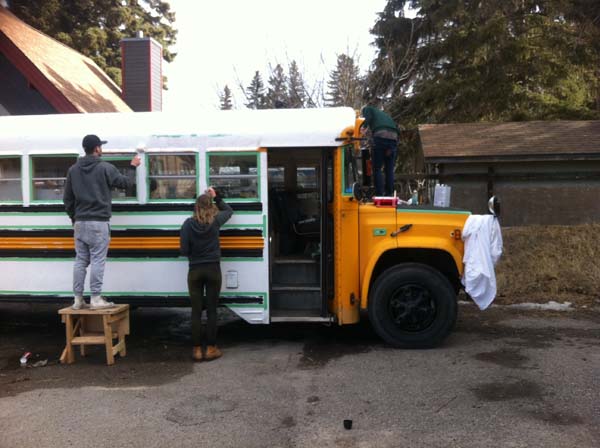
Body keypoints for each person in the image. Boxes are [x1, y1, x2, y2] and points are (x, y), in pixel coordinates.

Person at [63, 134, 141, 309]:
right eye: (101, 146)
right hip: (98, 222)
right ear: (97, 148)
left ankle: (77, 299)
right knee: (98, 259)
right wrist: (133, 166)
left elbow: (67, 198)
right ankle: (96, 298)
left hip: (79, 222)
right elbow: (125, 183)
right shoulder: (105, 167)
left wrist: (73, 217)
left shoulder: (73, 170)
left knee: (81, 260)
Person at [180, 187, 233, 362]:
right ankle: (210, 348)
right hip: (213, 270)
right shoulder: (215, 221)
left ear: (195, 207)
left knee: (196, 311)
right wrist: (216, 197)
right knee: (211, 310)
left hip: (194, 270)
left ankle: (196, 350)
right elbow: (229, 211)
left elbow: (184, 250)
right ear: (209, 207)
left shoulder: (188, 224)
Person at [360, 106, 399, 196]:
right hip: (393, 138)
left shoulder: (368, 108)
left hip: (381, 136)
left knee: (377, 168)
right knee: (389, 169)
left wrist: (363, 127)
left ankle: (379, 194)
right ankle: (389, 193)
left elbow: (368, 117)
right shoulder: (383, 115)